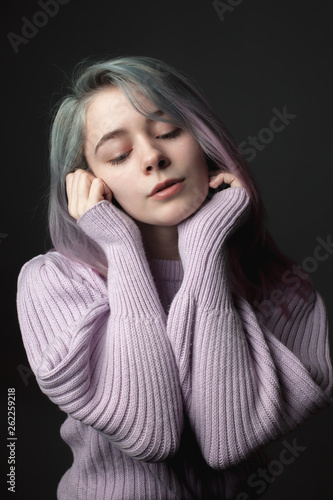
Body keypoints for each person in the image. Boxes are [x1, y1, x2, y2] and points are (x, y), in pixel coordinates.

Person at [17, 55, 332, 500]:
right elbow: (151, 434)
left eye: (167, 132)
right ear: (86, 182)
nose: (153, 158)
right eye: (119, 154)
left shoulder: (278, 288)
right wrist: (121, 247)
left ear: (204, 142)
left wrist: (204, 248)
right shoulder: (53, 284)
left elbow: (229, 440)